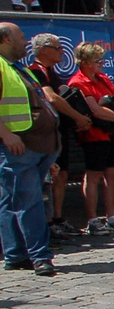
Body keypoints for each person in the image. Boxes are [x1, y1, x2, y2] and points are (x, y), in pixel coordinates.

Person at [0, 22, 59, 274]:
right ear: (5, 39)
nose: (25, 40)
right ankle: (39, 256)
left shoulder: (19, 68)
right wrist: (6, 135)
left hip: (35, 145)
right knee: (30, 201)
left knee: (11, 199)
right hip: (19, 145)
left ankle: (15, 254)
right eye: (21, 36)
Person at [64, 42, 114, 235]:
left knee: (112, 174)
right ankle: (93, 219)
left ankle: (112, 217)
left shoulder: (103, 79)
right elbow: (95, 110)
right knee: (94, 175)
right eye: (97, 61)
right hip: (95, 135)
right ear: (85, 62)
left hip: (113, 132)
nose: (101, 64)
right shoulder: (78, 82)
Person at [25, 33, 88, 239]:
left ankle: (58, 218)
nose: (62, 51)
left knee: (62, 175)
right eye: (57, 48)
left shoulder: (52, 71)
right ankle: (48, 222)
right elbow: (51, 98)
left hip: (59, 130)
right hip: (44, 133)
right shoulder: (35, 71)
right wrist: (77, 116)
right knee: (50, 177)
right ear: (43, 49)